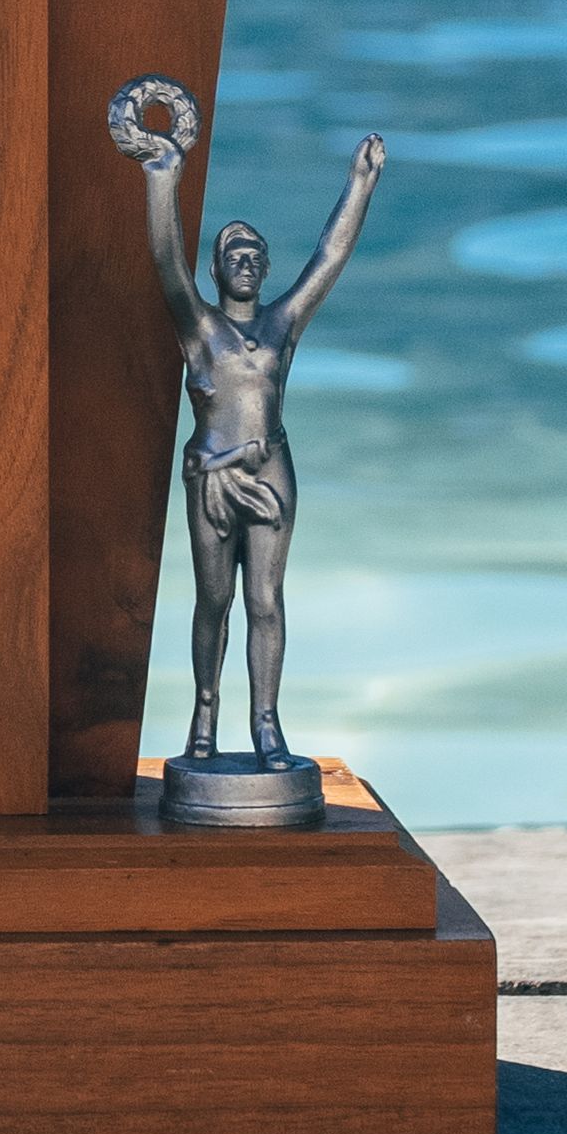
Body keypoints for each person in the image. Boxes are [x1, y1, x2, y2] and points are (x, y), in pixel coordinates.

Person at [126, 97, 385, 783]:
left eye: (255, 253)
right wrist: (162, 178)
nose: (245, 260)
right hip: (211, 477)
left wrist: (358, 185)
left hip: (272, 474)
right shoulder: (199, 330)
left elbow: (330, 258)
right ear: (216, 272)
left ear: (265, 270)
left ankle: (266, 725)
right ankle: (204, 719)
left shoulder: (281, 326)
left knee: (266, 601)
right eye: (232, 252)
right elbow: (164, 259)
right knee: (213, 601)